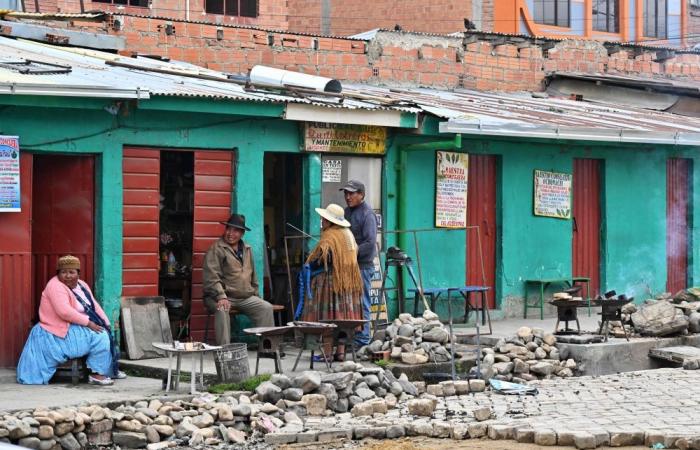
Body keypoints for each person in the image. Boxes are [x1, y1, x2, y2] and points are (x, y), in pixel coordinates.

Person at [17, 255, 123, 385]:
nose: (67, 276)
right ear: (58, 273)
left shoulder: (82, 285)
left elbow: (94, 306)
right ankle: (97, 374)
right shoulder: (55, 286)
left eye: (71, 272)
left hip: (74, 327)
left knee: (105, 332)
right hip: (55, 332)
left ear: (78, 273)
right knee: (99, 336)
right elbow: (64, 312)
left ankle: (110, 370)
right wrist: (89, 323)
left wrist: (106, 323)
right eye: (63, 272)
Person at [300, 203, 364, 361]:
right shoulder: (348, 234)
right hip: (348, 284)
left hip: (331, 283)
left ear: (330, 221)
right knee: (343, 319)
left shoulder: (330, 236)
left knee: (328, 317)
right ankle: (340, 353)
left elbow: (325, 258)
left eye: (324, 219)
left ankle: (327, 354)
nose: (322, 221)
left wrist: (311, 263)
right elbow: (355, 252)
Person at [203, 213, 274, 346]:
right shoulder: (217, 248)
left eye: (235, 230)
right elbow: (211, 277)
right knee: (222, 309)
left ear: (242, 233)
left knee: (266, 308)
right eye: (229, 229)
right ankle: (224, 350)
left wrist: (256, 295)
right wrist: (221, 297)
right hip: (220, 296)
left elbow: (253, 275)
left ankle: (268, 348)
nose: (230, 233)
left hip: (244, 297)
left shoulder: (247, 249)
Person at [340, 180, 377, 348]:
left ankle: (363, 341)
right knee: (348, 304)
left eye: (351, 193)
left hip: (362, 266)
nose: (348, 197)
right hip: (348, 265)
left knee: (362, 303)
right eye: (346, 193)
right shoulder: (346, 213)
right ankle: (349, 338)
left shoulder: (367, 214)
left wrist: (351, 252)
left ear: (361, 194)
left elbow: (370, 243)